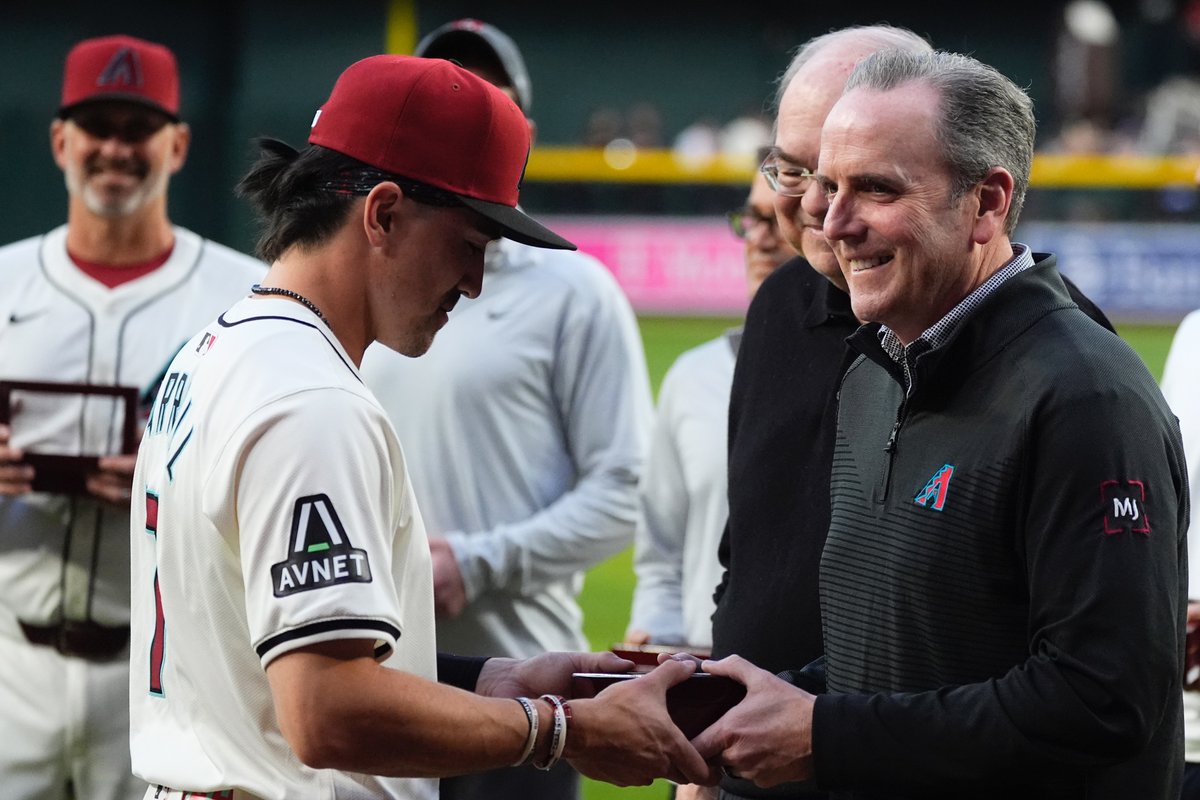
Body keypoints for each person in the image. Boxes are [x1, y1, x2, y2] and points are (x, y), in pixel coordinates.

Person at [128, 53, 714, 800]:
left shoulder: (223, 345)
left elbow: (276, 661)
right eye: (469, 245)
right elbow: (324, 712)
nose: (472, 283)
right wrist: (558, 728)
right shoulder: (311, 399)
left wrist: (497, 680)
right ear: (382, 214)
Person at [695, 48, 1187, 797]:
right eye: (826, 185)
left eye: (875, 189)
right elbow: (902, 649)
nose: (830, 220)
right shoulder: (872, 370)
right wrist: (750, 699)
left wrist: (828, 735)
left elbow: (1101, 698)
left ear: (987, 203)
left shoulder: (1085, 396)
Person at [360, 21, 653, 800]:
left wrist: (476, 562)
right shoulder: (357, 285)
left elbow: (624, 491)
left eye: (486, 100)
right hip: (373, 687)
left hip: (522, 694)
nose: (462, 116)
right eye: (438, 98)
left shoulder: (574, 293)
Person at [0, 34, 266, 800]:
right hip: (11, 658)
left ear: (178, 144)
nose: (116, 148)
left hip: (165, 672)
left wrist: (176, 481)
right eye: (98, 125)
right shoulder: (6, 279)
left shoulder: (244, 297)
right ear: (60, 140)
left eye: (138, 127)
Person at [627, 149, 792, 652]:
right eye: (751, 219)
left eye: (780, 219)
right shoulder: (692, 377)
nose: (759, 239)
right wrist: (658, 644)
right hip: (701, 679)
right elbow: (660, 555)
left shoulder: (872, 376)